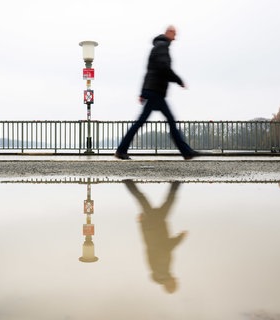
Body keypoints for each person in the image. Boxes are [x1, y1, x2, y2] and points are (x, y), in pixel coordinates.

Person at [115, 25, 198, 160]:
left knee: (142, 122)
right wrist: (178, 80)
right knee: (169, 121)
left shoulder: (158, 46)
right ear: (169, 33)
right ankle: (186, 152)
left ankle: (121, 149)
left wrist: (143, 92)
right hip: (156, 91)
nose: (175, 38)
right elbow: (163, 68)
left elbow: (149, 72)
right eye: (174, 34)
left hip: (152, 90)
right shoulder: (162, 47)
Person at [123, 180, 188, 293]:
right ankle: (127, 180)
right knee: (144, 199)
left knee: (168, 199)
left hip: (156, 225)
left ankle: (178, 178)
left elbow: (165, 247)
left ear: (170, 284)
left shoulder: (162, 270)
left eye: (175, 283)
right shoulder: (158, 272)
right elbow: (148, 246)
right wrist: (142, 224)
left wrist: (180, 238)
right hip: (152, 228)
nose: (177, 280)